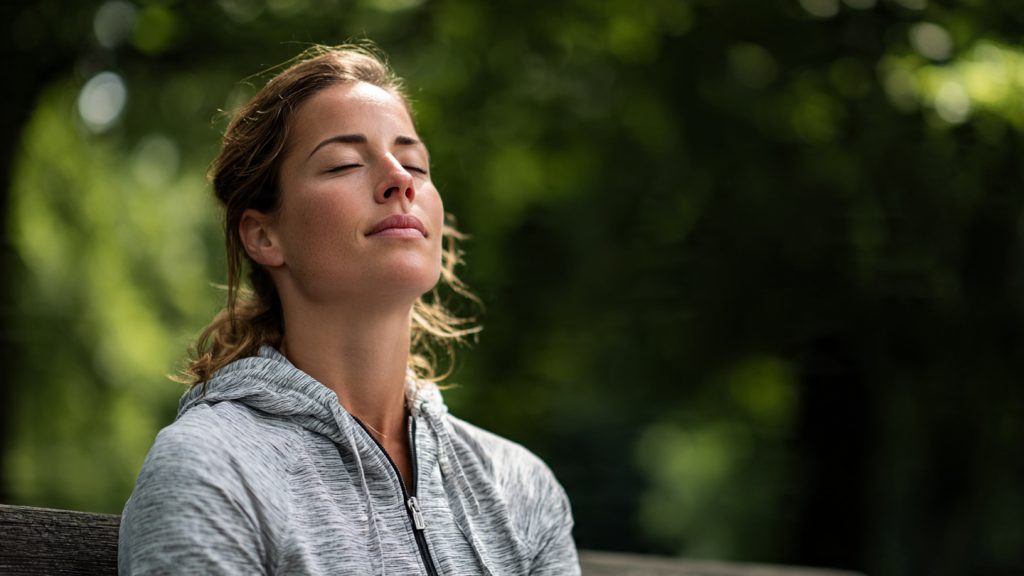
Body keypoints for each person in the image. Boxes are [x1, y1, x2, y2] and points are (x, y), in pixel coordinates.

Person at [117, 44, 579, 575]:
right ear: (264, 235)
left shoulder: (520, 489)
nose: (399, 179)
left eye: (414, 163)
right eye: (344, 164)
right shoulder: (214, 469)